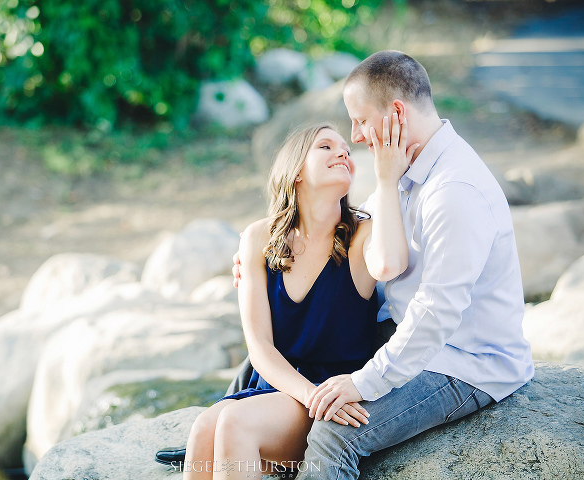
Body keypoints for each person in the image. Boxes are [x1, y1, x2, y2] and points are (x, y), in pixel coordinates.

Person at [230, 50, 534, 479]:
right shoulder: (408, 173)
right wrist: (257, 258)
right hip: (404, 337)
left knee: (334, 432)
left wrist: (365, 382)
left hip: (462, 361)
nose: (354, 137)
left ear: (395, 113)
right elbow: (347, 231)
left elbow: (437, 313)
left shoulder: (455, 190)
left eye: (358, 120)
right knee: (274, 353)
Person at [177, 119, 418, 479]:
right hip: (283, 386)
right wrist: (306, 392)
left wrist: (387, 180)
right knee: (203, 429)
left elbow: (391, 264)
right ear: (296, 171)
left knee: (235, 424)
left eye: (346, 151)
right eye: (325, 146)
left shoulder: (362, 235)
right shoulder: (259, 237)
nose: (342, 152)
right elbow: (259, 346)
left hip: (335, 392)